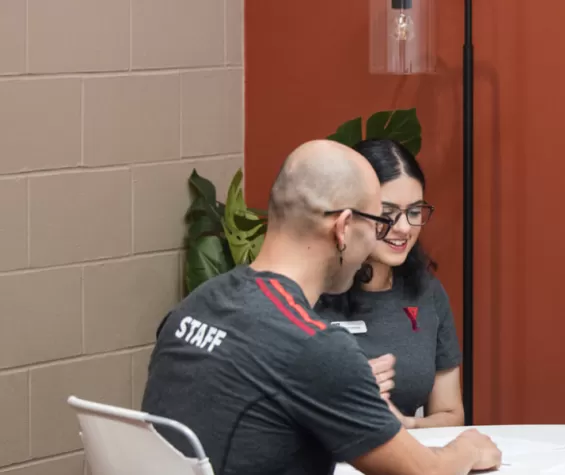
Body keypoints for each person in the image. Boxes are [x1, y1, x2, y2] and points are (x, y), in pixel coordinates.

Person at [141, 140, 500, 475]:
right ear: (344, 228)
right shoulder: (312, 345)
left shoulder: (195, 307)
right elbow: (427, 472)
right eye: (378, 220)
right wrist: (467, 449)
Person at [316, 139, 463, 429]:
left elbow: (450, 414)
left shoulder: (427, 292)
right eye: (387, 213)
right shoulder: (310, 292)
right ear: (348, 214)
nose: (404, 228)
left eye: (414, 211)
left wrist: (406, 425)